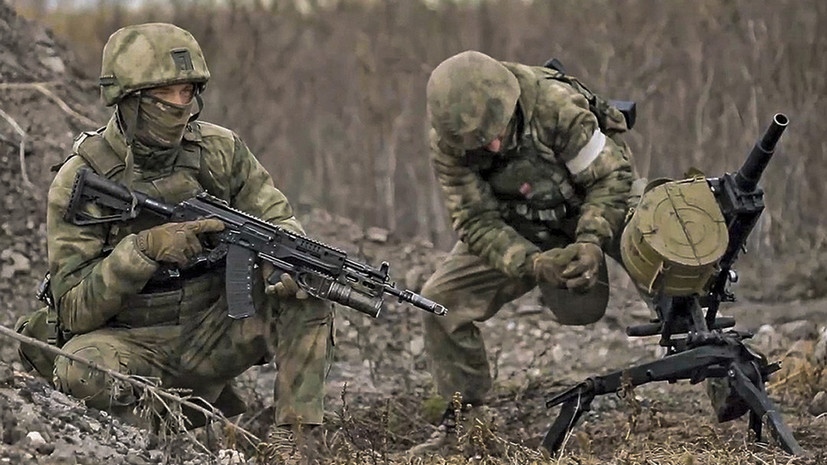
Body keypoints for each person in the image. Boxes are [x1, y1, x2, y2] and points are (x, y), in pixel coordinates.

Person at [39, 23, 332, 430]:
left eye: (188, 92)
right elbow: (72, 309)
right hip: (130, 341)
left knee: (308, 292)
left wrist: (284, 262)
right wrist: (142, 251)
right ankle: (141, 442)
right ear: (127, 99)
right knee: (80, 370)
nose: (179, 105)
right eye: (165, 95)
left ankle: (295, 443)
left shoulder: (220, 151)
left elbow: (278, 220)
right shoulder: (84, 179)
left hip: (213, 332)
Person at [412, 50, 638, 452]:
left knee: (661, 239)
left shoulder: (555, 105)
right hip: (522, 223)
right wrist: (532, 263)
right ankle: (465, 425)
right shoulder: (448, 144)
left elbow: (612, 176)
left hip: (594, 200)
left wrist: (589, 240)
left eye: (497, 131)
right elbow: (476, 221)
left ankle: (720, 367)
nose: (495, 145)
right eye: (481, 142)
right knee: (441, 301)